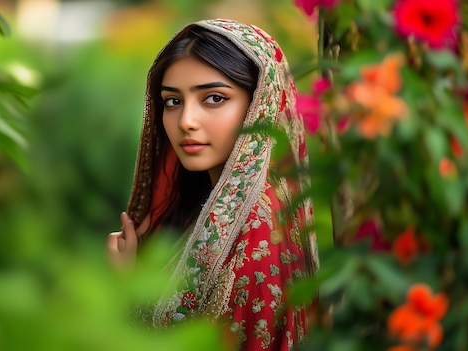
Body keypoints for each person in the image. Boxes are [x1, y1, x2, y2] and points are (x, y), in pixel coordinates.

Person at [107, 18, 318, 351]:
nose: (186, 121)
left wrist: (125, 288)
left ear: (259, 105)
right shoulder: (218, 206)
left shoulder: (258, 230)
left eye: (214, 98)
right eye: (173, 101)